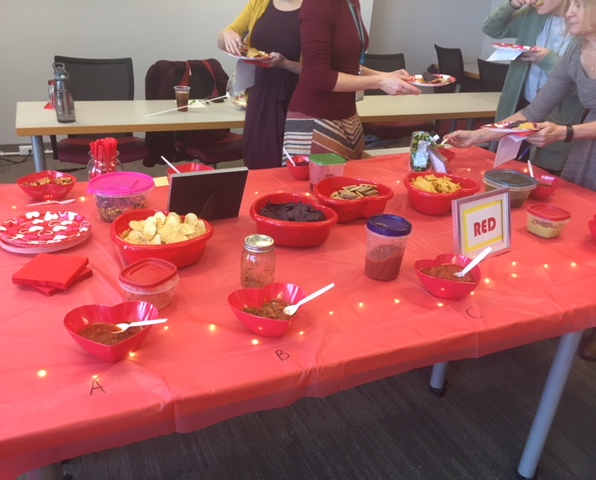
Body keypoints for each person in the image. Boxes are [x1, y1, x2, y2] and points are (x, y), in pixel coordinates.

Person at [445, 0, 596, 359]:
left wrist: (568, 132)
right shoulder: (578, 51)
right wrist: (481, 135)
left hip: (581, 141)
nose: (569, 12)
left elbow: (563, 127)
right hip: (586, 152)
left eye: (578, 5)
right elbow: (532, 110)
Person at [282, 0, 420, 161]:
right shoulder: (318, 4)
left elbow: (349, 64)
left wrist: (386, 75)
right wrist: (380, 81)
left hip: (347, 115)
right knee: (320, 185)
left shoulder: (351, 2)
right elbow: (317, 76)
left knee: (348, 184)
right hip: (316, 118)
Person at [483, 0, 583, 174]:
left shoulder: (584, 29)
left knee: (538, 176)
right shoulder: (533, 14)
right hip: (519, 105)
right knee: (500, 169)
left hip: (556, 119)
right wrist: (512, 5)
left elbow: (583, 88)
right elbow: (492, 29)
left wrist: (549, 61)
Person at [218, 0, 303, 170]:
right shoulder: (260, 3)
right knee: (258, 157)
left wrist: (286, 64)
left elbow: (321, 71)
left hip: (297, 95)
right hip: (261, 93)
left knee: (292, 163)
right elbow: (222, 41)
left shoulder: (316, 7)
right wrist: (227, 35)